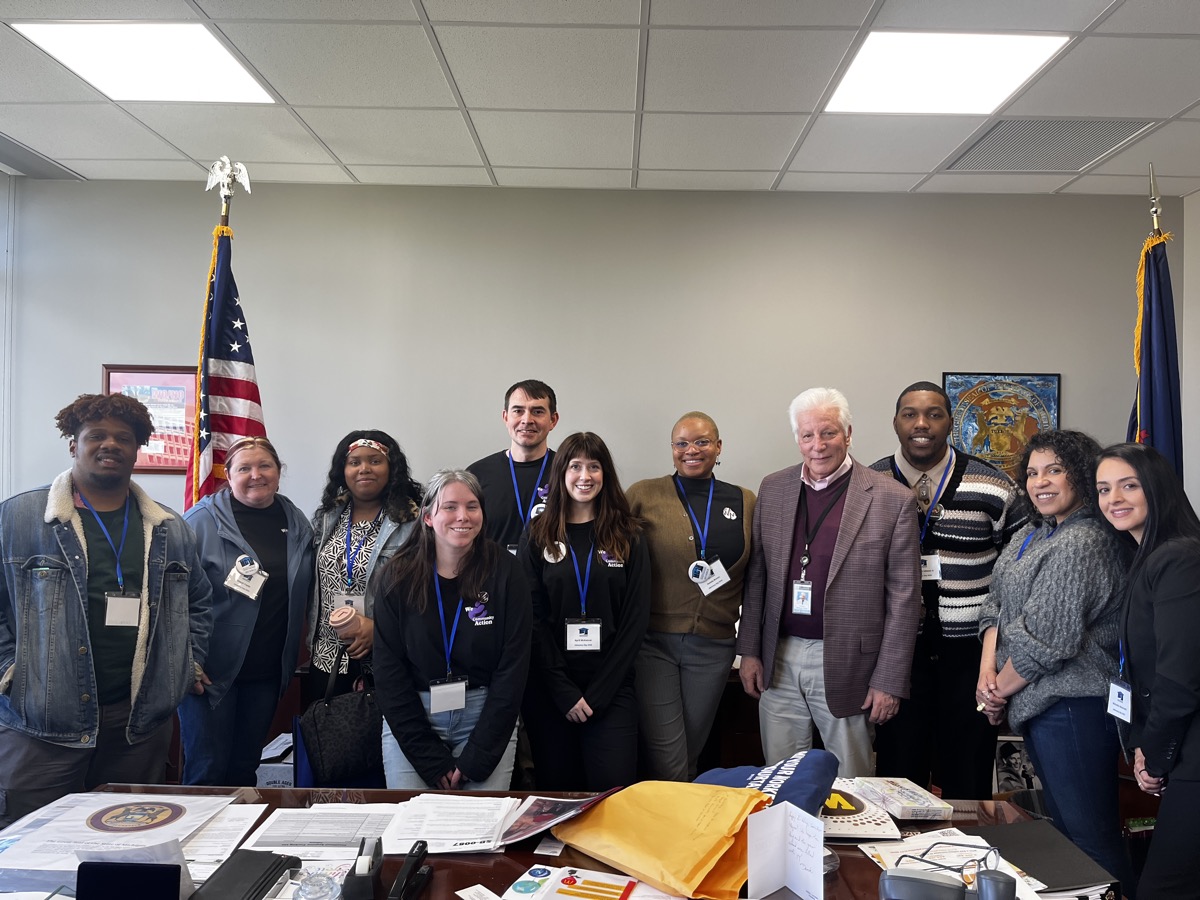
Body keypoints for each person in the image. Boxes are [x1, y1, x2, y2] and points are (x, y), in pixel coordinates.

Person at [0, 394, 212, 826]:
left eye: (124, 437)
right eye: (96, 435)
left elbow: (200, 602)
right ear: (73, 444)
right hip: (42, 720)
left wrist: (185, 665)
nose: (110, 444)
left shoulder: (170, 527)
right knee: (29, 850)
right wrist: (9, 670)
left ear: (138, 449)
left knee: (124, 846)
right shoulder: (20, 517)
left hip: (137, 724)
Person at [977, 430, 1136, 893]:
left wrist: (996, 690)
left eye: (1054, 470)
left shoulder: (1083, 540)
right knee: (1065, 836)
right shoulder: (1034, 532)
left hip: (1076, 710)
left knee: (1091, 839)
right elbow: (995, 606)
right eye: (1031, 472)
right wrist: (989, 674)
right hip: (1040, 704)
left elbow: (1047, 641)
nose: (1040, 482)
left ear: (1081, 476)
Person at [736, 387, 920, 777]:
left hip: (849, 662)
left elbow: (905, 600)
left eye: (828, 432)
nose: (817, 445)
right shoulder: (774, 488)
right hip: (779, 657)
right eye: (807, 435)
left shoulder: (892, 499)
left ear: (848, 433)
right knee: (781, 779)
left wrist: (888, 680)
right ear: (797, 439)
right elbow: (758, 577)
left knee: (853, 785)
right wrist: (750, 650)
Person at [871, 381, 1026, 798]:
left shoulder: (993, 485)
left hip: (971, 657)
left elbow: (1020, 572)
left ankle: (967, 859)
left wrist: (999, 655)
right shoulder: (869, 485)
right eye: (910, 414)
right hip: (896, 658)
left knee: (968, 772)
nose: (922, 424)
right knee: (898, 773)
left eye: (934, 414)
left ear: (950, 423)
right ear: (896, 423)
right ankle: (900, 860)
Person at [373, 469, 531, 790]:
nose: (463, 516)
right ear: (429, 517)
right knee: (412, 825)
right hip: (415, 717)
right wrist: (428, 758)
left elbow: (513, 667)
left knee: (479, 830)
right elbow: (389, 673)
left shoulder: (506, 571)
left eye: (472, 506)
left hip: (485, 717)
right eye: (450, 507)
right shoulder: (397, 576)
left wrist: (479, 754)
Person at [1096, 442, 1200, 899]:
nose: (1113, 498)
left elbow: (1180, 678)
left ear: (1156, 489)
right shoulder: (1147, 557)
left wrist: (1154, 755)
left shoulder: (1180, 558)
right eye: (1103, 489)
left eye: (1128, 485)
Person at [627, 411, 756, 781]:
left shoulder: (745, 501)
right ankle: (675, 827)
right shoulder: (642, 494)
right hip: (654, 644)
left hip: (714, 648)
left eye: (701, 441)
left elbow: (757, 575)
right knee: (669, 757)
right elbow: (612, 559)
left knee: (690, 750)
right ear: (672, 450)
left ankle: (675, 825)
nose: (691, 450)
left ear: (718, 446)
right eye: (681, 443)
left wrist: (750, 646)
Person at [179, 435, 315, 786]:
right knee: (206, 771)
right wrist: (186, 662)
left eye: (264, 466)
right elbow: (171, 598)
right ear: (229, 474)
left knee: (244, 768)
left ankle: (234, 840)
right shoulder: (199, 521)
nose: (256, 475)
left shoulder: (295, 520)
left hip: (267, 674)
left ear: (279, 472)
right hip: (209, 674)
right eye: (244, 468)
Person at [521, 432, 650, 791]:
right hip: (551, 690)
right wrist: (563, 691)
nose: (585, 475)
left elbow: (635, 620)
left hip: (610, 690)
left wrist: (598, 694)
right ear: (561, 473)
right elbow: (533, 618)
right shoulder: (537, 534)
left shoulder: (629, 535)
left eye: (594, 466)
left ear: (605, 473)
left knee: (614, 794)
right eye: (575, 466)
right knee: (559, 798)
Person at [305, 430, 422, 708]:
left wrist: (380, 630)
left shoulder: (413, 522)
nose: (364, 469)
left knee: (380, 745)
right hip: (327, 654)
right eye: (354, 462)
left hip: (385, 655)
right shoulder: (328, 516)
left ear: (392, 468)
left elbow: (424, 592)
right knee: (329, 742)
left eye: (375, 461)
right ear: (343, 470)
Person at [468, 380, 560, 554]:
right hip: (491, 578)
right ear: (506, 417)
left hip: (549, 579)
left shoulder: (568, 473)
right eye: (518, 411)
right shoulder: (477, 475)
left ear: (553, 420)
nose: (527, 420)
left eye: (538, 411)